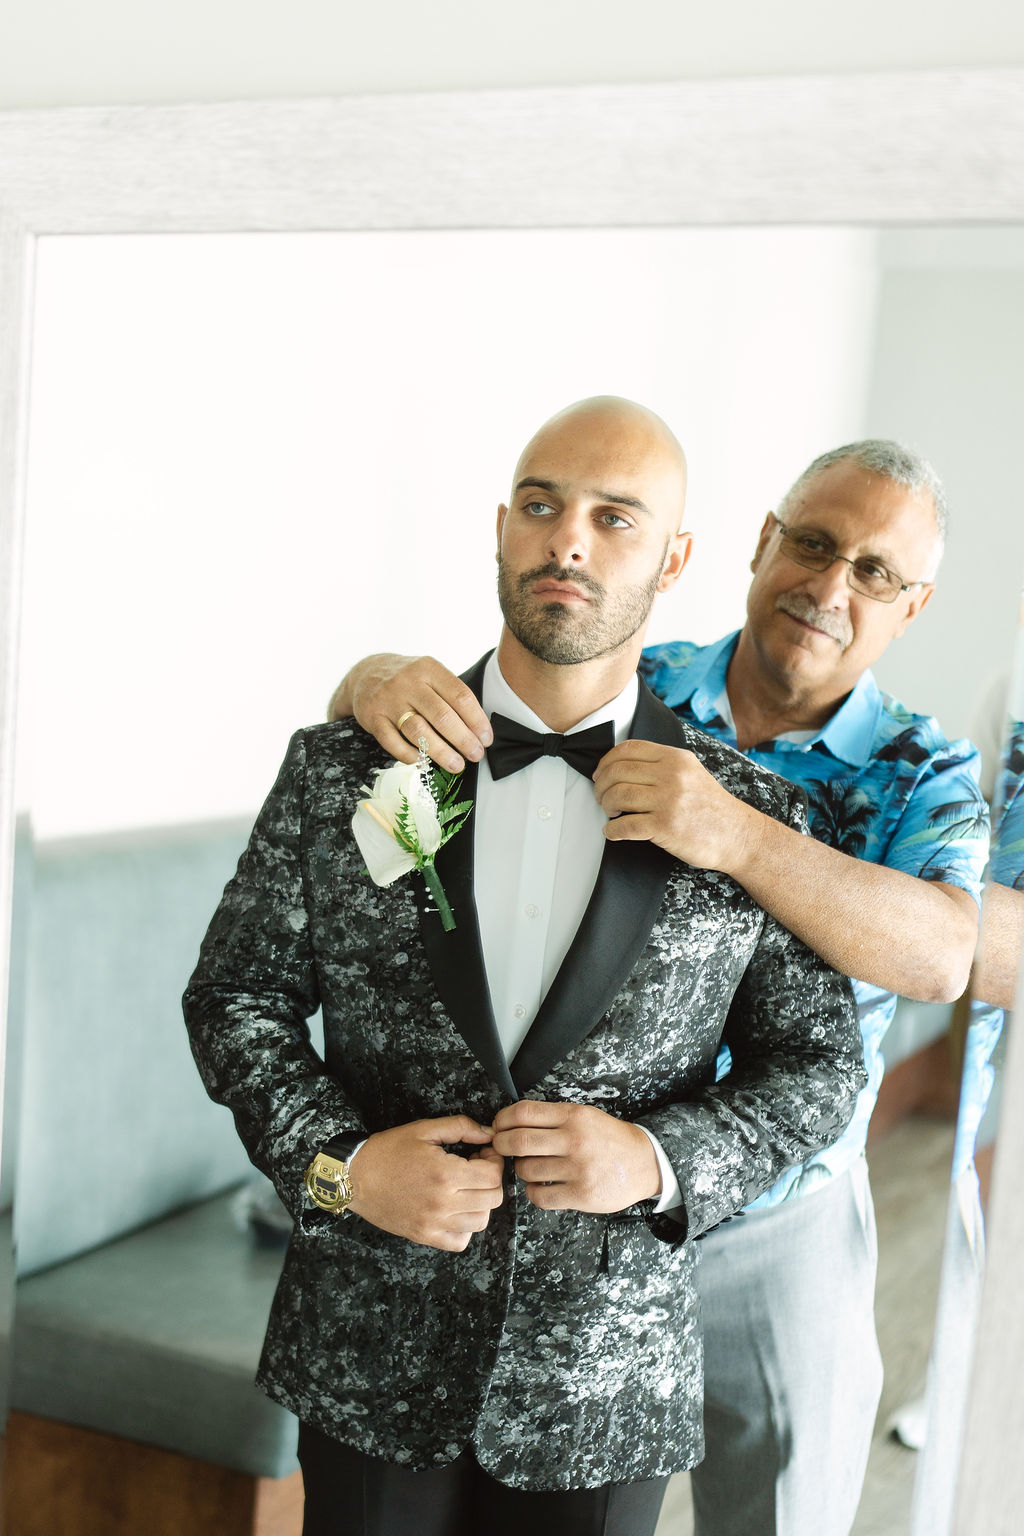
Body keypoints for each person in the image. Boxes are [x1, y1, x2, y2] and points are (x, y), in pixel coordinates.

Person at [183, 396, 863, 1536]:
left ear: (677, 557)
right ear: (500, 528)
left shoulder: (752, 817)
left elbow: (818, 1070)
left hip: (605, 1390)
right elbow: (235, 999)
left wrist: (656, 1159)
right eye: (542, 508)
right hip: (365, 1355)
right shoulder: (341, 767)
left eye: (616, 518)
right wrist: (343, 1169)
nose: (569, 542)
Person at [332, 437, 991, 1536]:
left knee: (778, 1508)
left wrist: (736, 833)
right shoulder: (628, 678)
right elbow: (405, 820)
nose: (829, 587)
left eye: (873, 572)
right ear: (759, 544)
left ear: (911, 606)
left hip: (781, 1213)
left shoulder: (923, 771)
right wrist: (363, 687)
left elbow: (939, 957)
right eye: (814, 544)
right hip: (562, 1206)